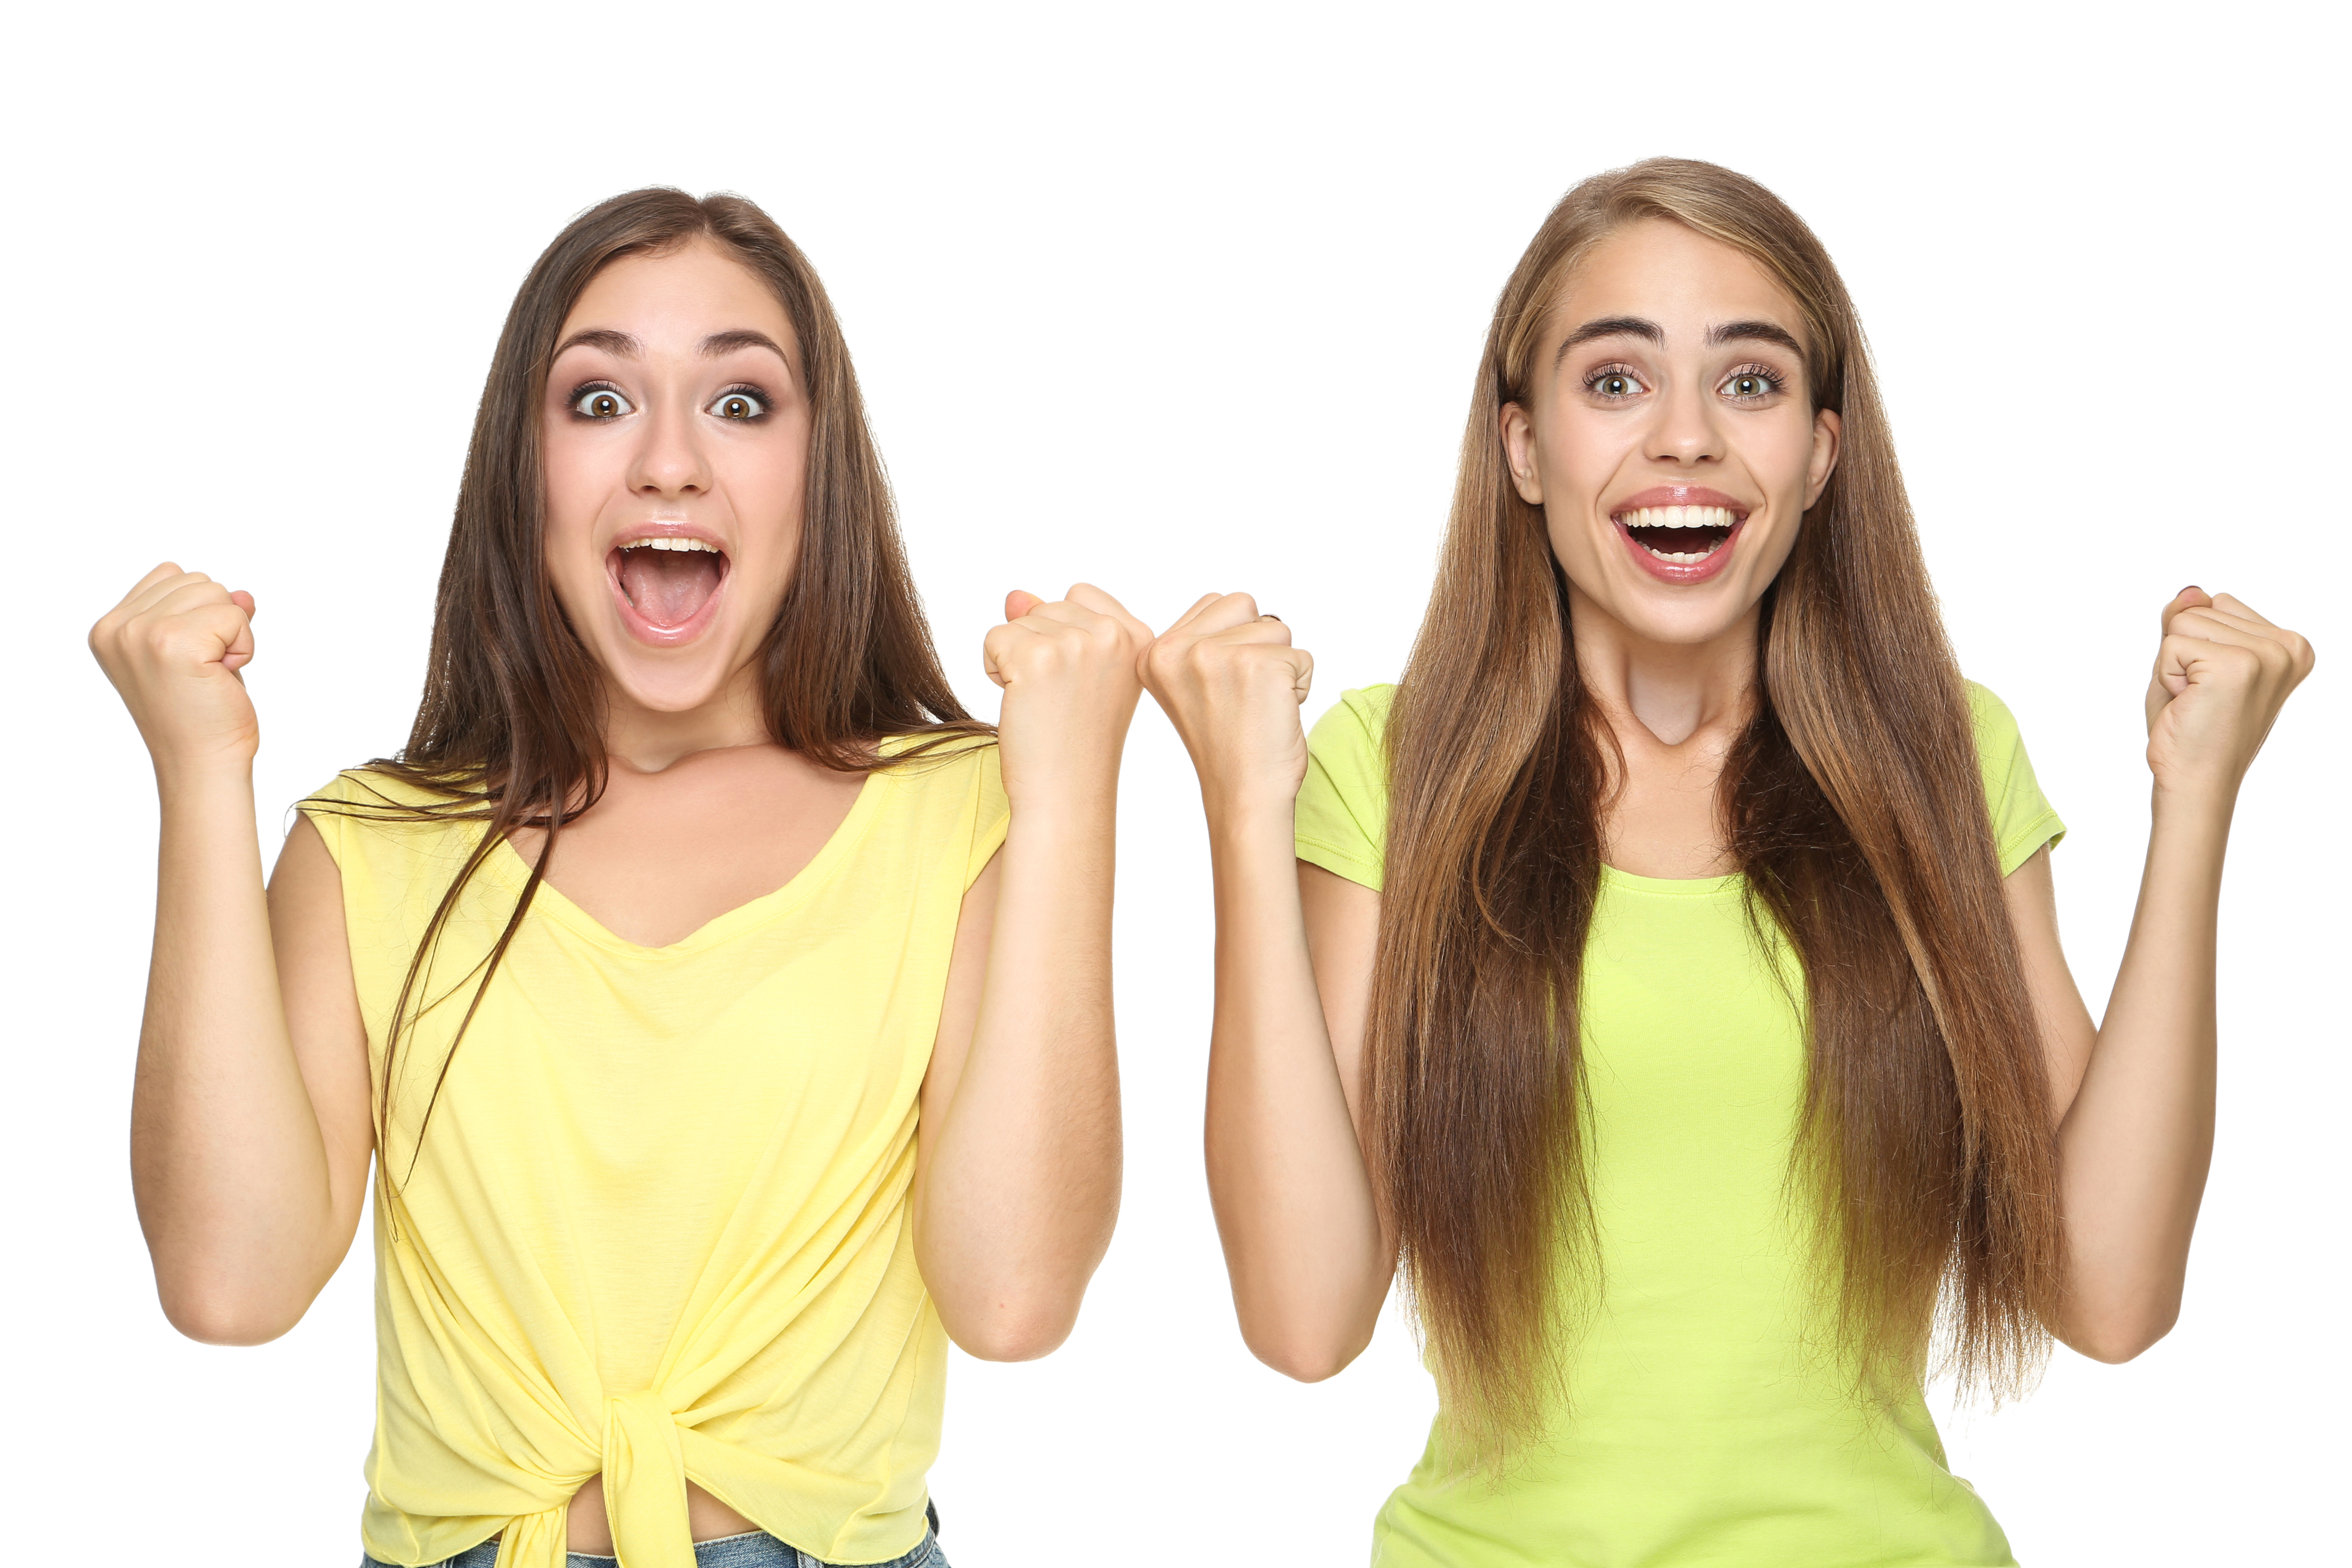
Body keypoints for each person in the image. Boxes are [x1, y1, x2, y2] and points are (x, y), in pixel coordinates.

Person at [1140, 157, 2314, 1566]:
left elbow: (2109, 1294)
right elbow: (1302, 1318)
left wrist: (2196, 804)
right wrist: (1244, 819)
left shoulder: (1940, 755)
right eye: (1617, 382)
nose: (1684, 440)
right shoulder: (1396, 770)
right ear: (1523, 449)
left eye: (1749, 384)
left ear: (1821, 454)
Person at [89, 188, 1147, 1568]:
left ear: (819, 474)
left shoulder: (957, 818)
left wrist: (1068, 795)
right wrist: (199, 775)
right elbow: (230, 1284)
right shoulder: (374, 848)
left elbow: (1013, 1298)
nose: (666, 464)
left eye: (741, 404)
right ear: (520, 472)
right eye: (597, 402)